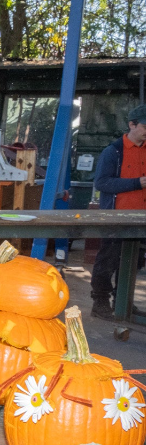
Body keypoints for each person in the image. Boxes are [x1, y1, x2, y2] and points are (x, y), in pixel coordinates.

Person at [90, 103, 146, 320]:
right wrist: (137, 183)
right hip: (116, 217)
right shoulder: (113, 152)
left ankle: (124, 302)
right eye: (144, 126)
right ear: (131, 125)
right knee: (108, 260)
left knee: (134, 262)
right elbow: (102, 183)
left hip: (140, 219)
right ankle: (100, 301)